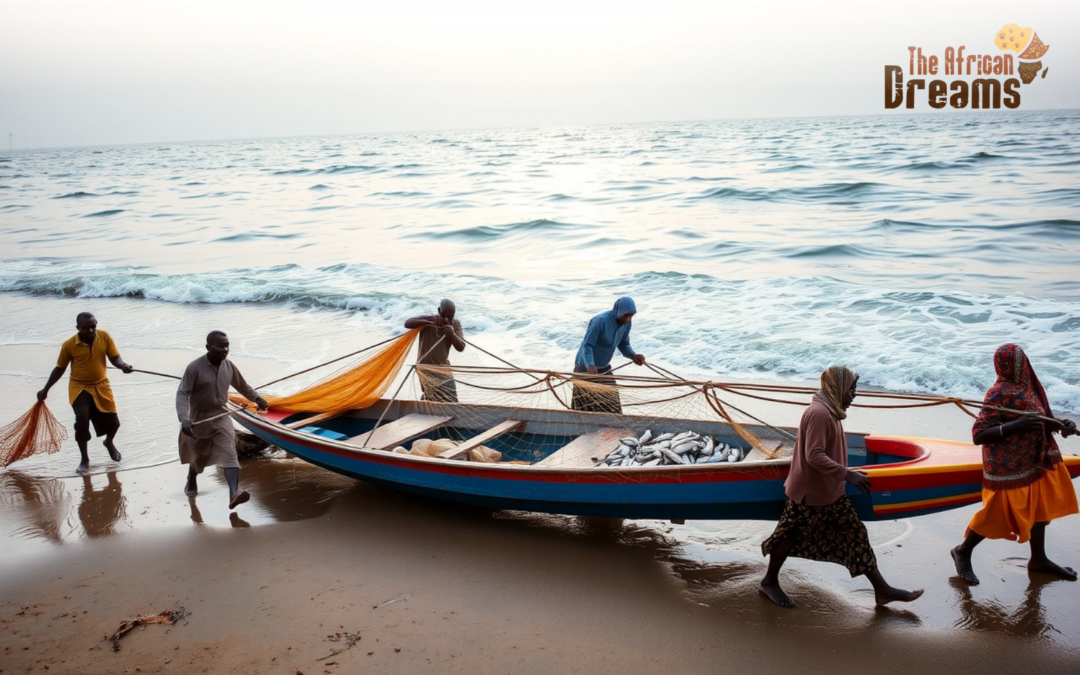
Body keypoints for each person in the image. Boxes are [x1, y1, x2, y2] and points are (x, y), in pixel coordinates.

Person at [760, 365, 924, 608]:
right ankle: (769, 582)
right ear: (838, 387)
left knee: (854, 533)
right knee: (788, 535)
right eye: (851, 388)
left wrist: (843, 476)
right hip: (809, 492)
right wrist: (847, 474)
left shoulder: (831, 411)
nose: (854, 394)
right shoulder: (819, 413)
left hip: (830, 491)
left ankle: (882, 590)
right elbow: (813, 455)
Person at [951, 344, 1078, 585]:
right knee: (998, 512)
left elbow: (1042, 420)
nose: (1023, 367)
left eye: (1023, 361)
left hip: (1034, 459)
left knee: (1039, 506)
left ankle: (1038, 559)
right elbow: (979, 434)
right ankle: (963, 550)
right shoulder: (998, 393)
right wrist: (1016, 426)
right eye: (1018, 362)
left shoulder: (1030, 388)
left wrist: (1063, 424)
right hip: (1008, 467)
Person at [176, 331, 267, 509]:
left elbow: (243, 386)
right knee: (199, 455)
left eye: (227, 346)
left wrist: (257, 398)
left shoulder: (229, 366)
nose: (225, 350)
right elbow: (182, 394)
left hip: (221, 415)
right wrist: (184, 419)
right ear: (208, 347)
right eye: (220, 346)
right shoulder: (194, 368)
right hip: (199, 420)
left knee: (230, 451)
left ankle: (234, 493)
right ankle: (191, 477)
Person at [36, 312, 133, 475]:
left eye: (93, 327)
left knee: (114, 423)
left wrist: (123, 365)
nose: (91, 331)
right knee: (81, 421)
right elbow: (60, 368)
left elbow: (115, 357)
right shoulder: (69, 345)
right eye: (86, 328)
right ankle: (84, 459)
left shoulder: (104, 337)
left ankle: (109, 442)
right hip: (79, 387)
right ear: (78, 328)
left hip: (101, 385)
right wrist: (46, 389)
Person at [571, 296, 646, 414]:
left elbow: (623, 343)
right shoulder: (600, 321)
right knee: (582, 409)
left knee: (613, 409)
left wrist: (633, 356)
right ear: (618, 311)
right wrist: (590, 365)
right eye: (626, 315)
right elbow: (587, 345)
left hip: (604, 368)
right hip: (585, 368)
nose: (628, 319)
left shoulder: (627, 323)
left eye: (631, 316)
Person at [404, 299, 465, 403]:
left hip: (443, 368)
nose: (446, 319)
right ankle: (423, 409)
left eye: (450, 317)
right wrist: (428, 321)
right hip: (425, 368)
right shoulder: (429, 320)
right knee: (432, 398)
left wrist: (452, 334)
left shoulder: (455, 324)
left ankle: (424, 407)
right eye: (443, 315)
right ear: (439, 310)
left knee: (451, 398)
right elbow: (407, 323)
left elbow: (461, 347)